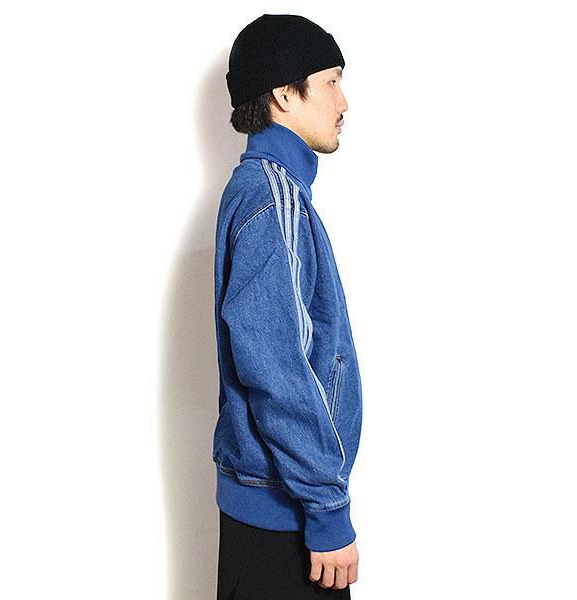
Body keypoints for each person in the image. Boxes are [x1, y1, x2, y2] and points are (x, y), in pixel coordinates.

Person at [212, 13, 363, 599]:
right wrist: (327, 510)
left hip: (275, 505)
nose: (343, 102)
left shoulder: (271, 191)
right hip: (286, 515)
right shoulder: (272, 199)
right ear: (283, 93)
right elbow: (278, 371)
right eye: (331, 82)